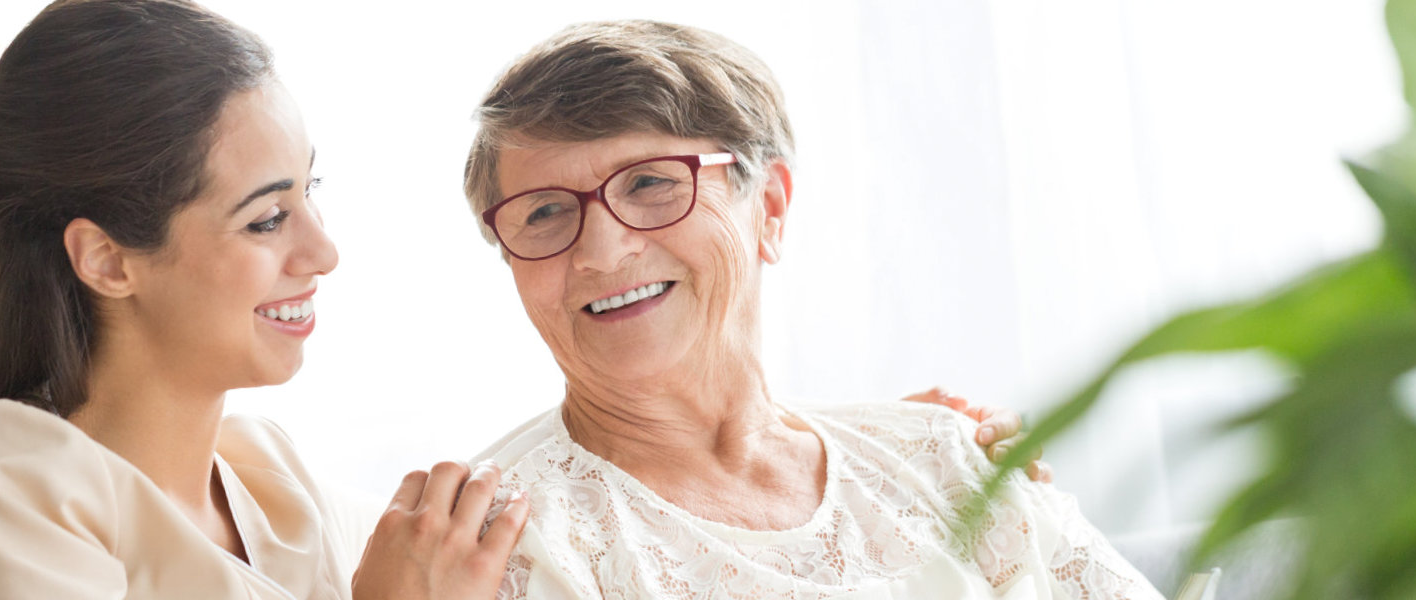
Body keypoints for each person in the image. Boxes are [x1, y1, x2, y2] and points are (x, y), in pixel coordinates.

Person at [0, 1, 1042, 598]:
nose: (323, 251)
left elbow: (601, 499)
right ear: (108, 259)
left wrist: (881, 456)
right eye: (268, 217)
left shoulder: (278, 490)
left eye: (313, 196)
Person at [462, 20, 1161, 599]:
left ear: (768, 207)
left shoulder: (942, 458)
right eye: (545, 211)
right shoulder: (493, 546)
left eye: (650, 183)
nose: (603, 251)